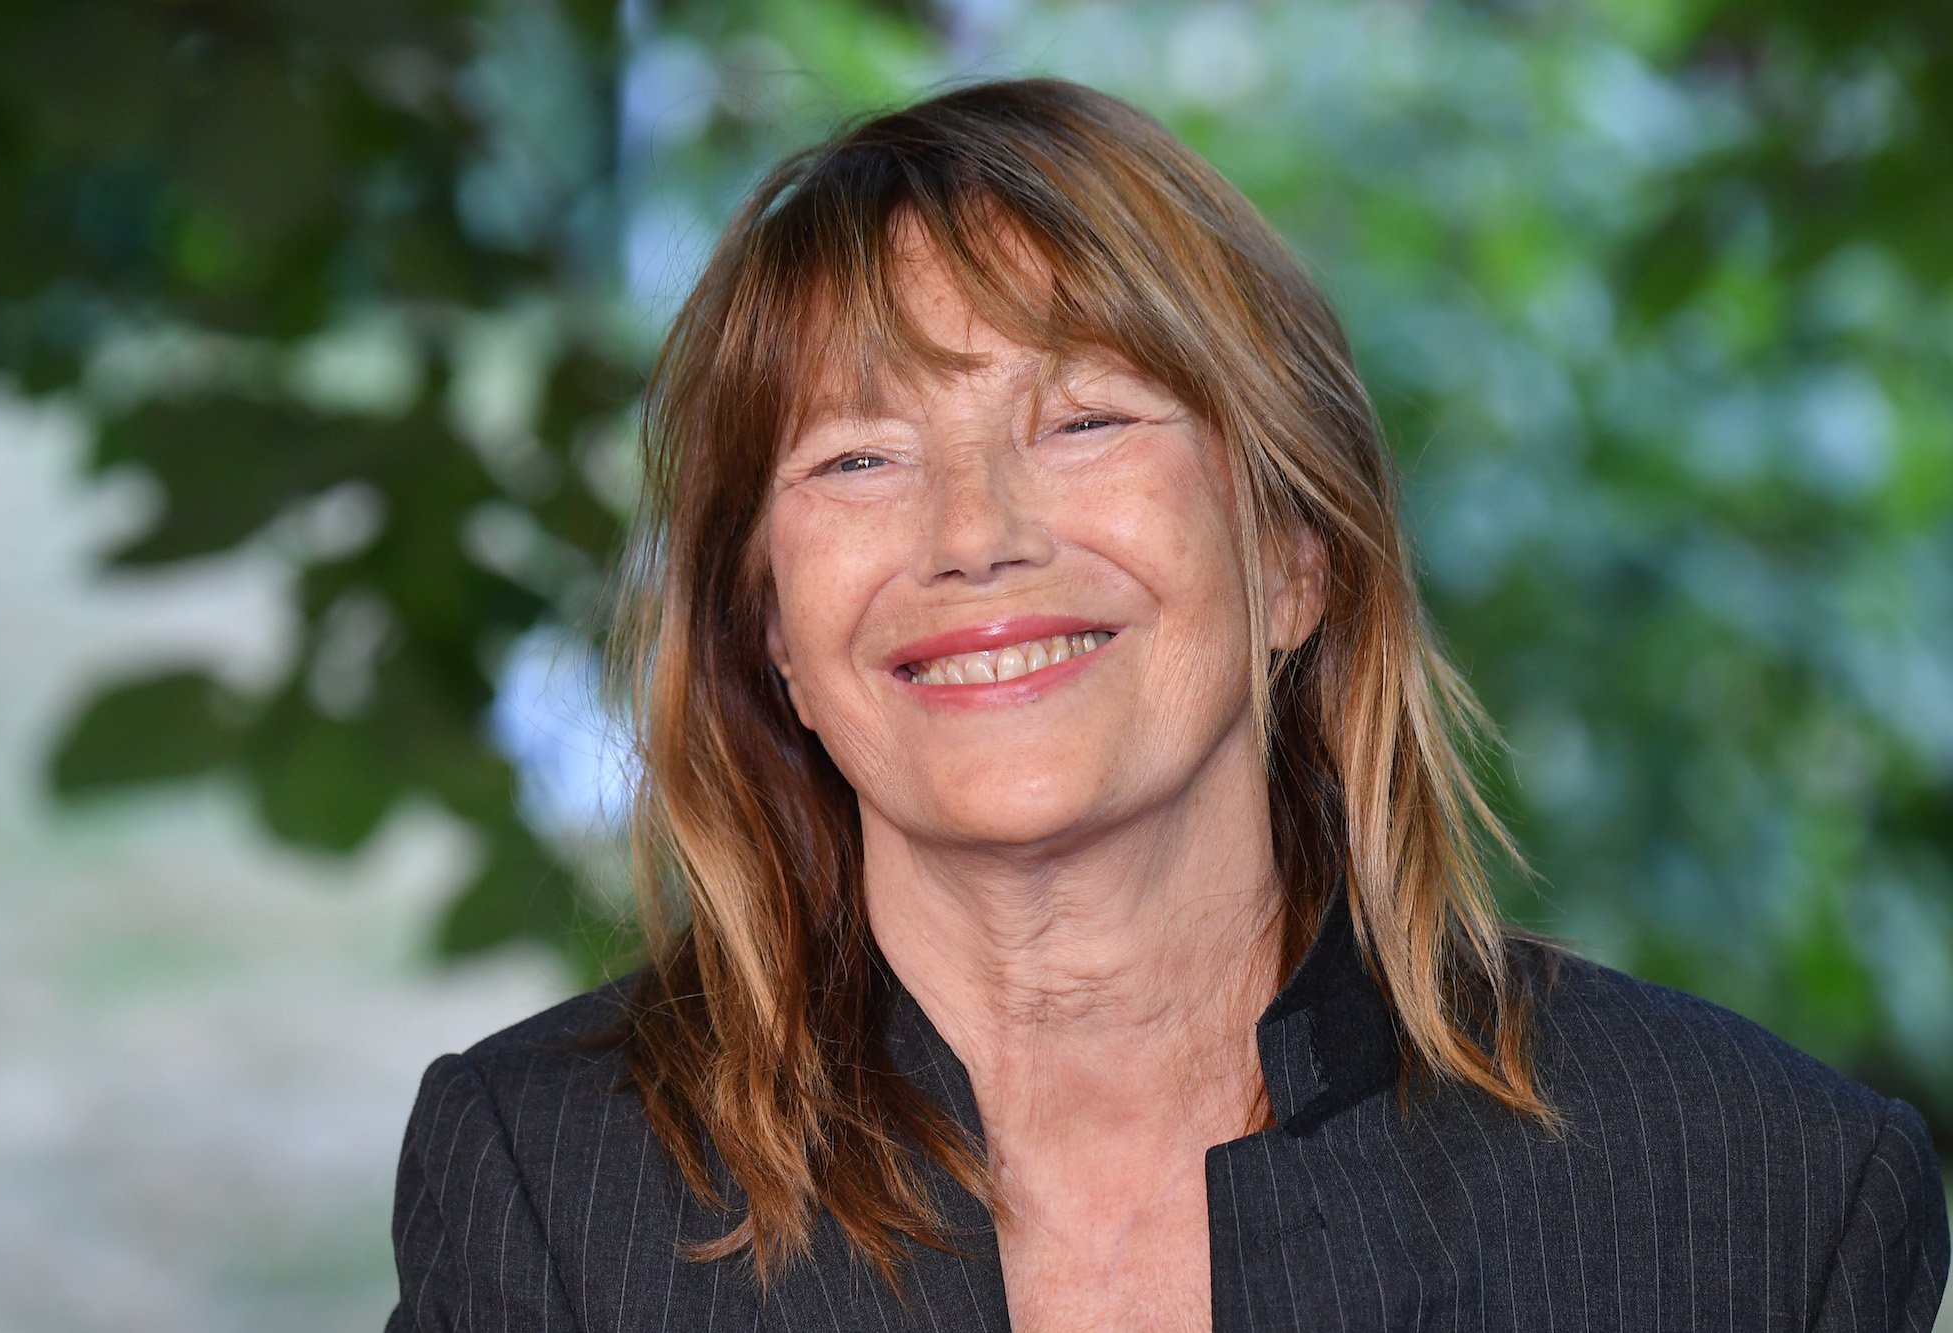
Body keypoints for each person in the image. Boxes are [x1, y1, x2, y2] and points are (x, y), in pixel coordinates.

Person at [383, 77, 1949, 1331]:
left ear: (1291, 554)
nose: (974, 532)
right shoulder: (547, 1184)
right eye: (857, 455)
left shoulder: (1766, 1197)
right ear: (772, 633)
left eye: (1082, 418)